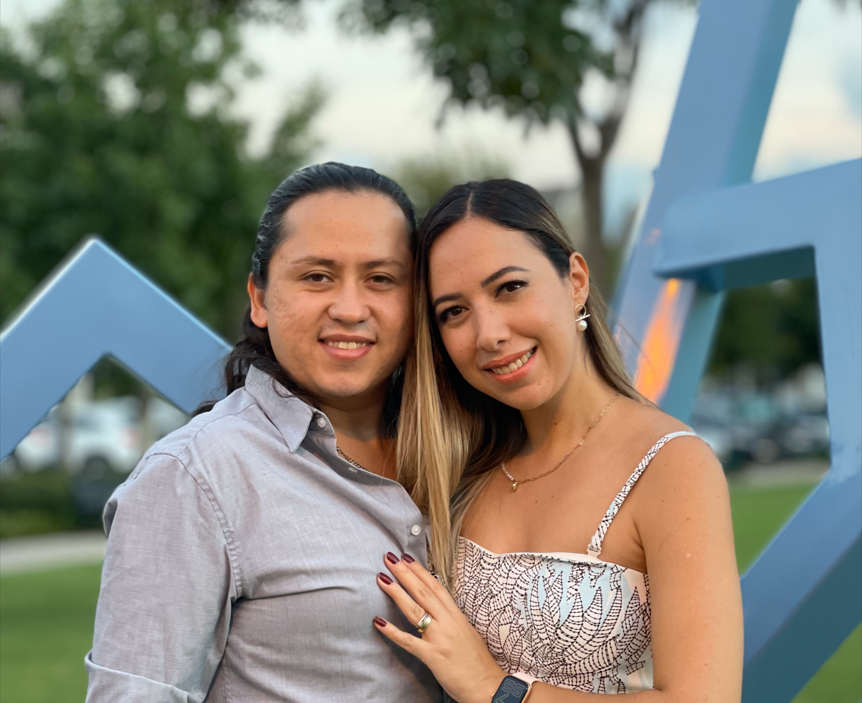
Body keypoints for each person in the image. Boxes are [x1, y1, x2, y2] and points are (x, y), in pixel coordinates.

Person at [372, 179, 743, 702]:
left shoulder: (672, 465)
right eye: (454, 312)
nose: (489, 334)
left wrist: (496, 689)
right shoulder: (456, 471)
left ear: (575, 282)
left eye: (509, 287)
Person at [85, 162, 442, 702]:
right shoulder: (194, 475)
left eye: (381, 279)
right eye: (317, 276)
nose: (350, 309)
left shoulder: (462, 454)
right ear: (259, 298)